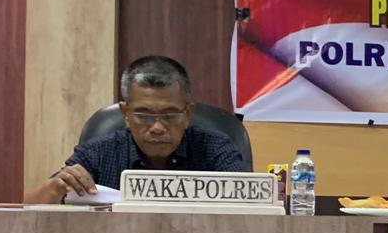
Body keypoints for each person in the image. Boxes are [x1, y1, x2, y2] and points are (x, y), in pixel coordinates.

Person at [24, 56, 245, 203]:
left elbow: (252, 206)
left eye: (169, 115)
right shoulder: (99, 153)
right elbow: (24, 210)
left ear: (187, 114)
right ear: (125, 114)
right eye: (144, 115)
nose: (157, 127)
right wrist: (56, 188)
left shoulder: (215, 149)